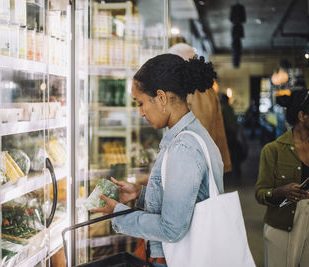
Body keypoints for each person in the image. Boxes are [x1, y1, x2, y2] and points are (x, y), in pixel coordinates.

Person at [91, 54, 224, 267]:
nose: (141, 112)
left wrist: (119, 214)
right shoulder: (192, 135)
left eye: (141, 103)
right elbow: (186, 202)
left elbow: (171, 228)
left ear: (161, 98)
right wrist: (140, 193)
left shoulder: (183, 147)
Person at [255, 89, 309, 267]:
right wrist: (282, 191)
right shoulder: (274, 150)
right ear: (302, 116)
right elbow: (261, 193)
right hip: (281, 228)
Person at [168, 43, 232, 173]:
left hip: (191, 166)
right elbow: (217, 128)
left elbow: (194, 132)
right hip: (208, 162)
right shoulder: (207, 89)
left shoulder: (190, 92)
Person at [220, 94, 242, 178]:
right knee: (234, 153)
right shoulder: (230, 108)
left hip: (228, 134)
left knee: (228, 154)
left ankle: (229, 173)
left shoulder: (223, 108)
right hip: (233, 133)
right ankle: (236, 172)